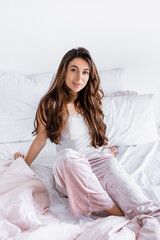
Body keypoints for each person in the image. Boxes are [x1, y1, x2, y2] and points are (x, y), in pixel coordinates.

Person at [14, 47, 160, 221]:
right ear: (64, 71)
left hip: (99, 160)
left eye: (85, 72)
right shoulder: (50, 104)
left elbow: (95, 133)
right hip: (70, 169)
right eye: (74, 70)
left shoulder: (91, 100)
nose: (79, 78)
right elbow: (40, 140)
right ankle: (114, 211)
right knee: (67, 156)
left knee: (142, 205)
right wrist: (25, 162)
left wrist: (105, 149)